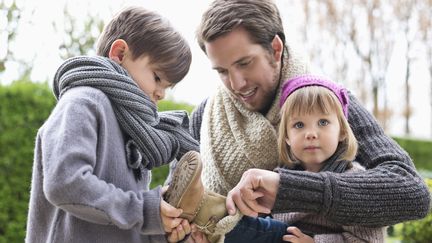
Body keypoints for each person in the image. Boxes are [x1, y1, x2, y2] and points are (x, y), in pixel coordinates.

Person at [186, 0, 430, 241]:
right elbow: (178, 195)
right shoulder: (205, 117)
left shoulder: (328, 104)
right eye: (222, 71)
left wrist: (289, 189)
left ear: (276, 48)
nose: (237, 83)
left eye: (244, 63)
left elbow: (412, 192)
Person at [25, 6, 199, 243]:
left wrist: (162, 229)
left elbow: (119, 221)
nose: (161, 94)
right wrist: (144, 211)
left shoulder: (134, 129)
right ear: (119, 53)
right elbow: (65, 183)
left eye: (167, 86)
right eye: (157, 77)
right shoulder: (83, 102)